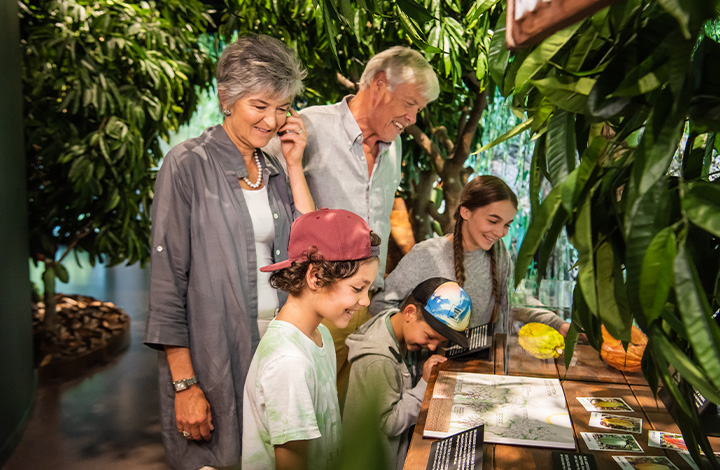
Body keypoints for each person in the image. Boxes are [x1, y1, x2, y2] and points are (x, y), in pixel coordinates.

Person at [144, 35, 313, 470]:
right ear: (228, 99)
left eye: (282, 108)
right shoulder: (186, 165)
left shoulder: (274, 167)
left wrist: (295, 166)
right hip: (214, 355)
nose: (272, 120)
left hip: (275, 352)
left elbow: (311, 248)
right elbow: (167, 284)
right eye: (260, 106)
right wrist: (185, 385)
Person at [267, 46, 440, 399]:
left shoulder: (395, 147)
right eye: (410, 104)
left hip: (366, 303)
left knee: (345, 417)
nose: (413, 118)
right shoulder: (309, 127)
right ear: (378, 84)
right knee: (304, 410)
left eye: (419, 110)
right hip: (319, 302)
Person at [242, 208, 381, 470]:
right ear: (316, 277)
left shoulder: (320, 336)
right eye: (357, 288)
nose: (365, 301)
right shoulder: (289, 363)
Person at [370, 175, 570, 334]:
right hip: (431, 370)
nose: (500, 233)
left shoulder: (499, 253)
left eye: (507, 225)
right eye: (493, 221)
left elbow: (514, 299)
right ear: (465, 212)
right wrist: (414, 334)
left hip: (478, 362)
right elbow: (380, 305)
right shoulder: (426, 254)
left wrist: (558, 323)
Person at [343, 277, 472, 470]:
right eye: (429, 337)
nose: (432, 346)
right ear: (410, 313)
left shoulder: (396, 323)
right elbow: (389, 423)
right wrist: (424, 384)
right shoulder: (378, 361)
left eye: (440, 342)